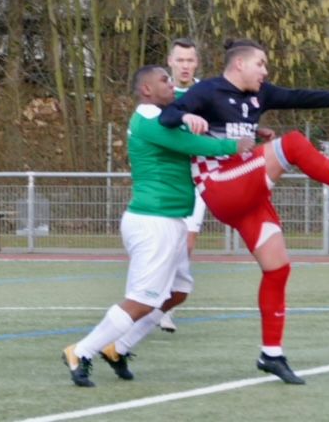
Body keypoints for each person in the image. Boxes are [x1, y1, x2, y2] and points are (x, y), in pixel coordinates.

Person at [159, 38, 329, 385]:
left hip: (246, 191)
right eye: (260, 64)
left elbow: (300, 96)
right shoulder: (208, 91)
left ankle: (272, 354)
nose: (265, 71)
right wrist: (186, 115)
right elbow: (167, 116)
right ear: (239, 65)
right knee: (292, 144)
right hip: (220, 185)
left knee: (277, 267)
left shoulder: (259, 94)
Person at [61, 65, 254, 387]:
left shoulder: (163, 115)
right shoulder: (148, 118)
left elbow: (197, 116)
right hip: (153, 222)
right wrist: (234, 146)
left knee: (178, 292)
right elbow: (192, 144)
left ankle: (118, 347)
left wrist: (244, 125)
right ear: (146, 90)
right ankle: (81, 352)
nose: (171, 85)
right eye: (164, 80)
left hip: (171, 221)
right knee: (142, 300)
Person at [158, 37, 201, 334]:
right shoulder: (162, 93)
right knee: (166, 243)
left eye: (190, 60)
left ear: (196, 63)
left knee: (187, 243)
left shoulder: (205, 91)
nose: (185, 65)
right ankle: (153, 297)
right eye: (180, 60)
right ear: (170, 62)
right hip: (169, 178)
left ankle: (166, 306)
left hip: (199, 177)